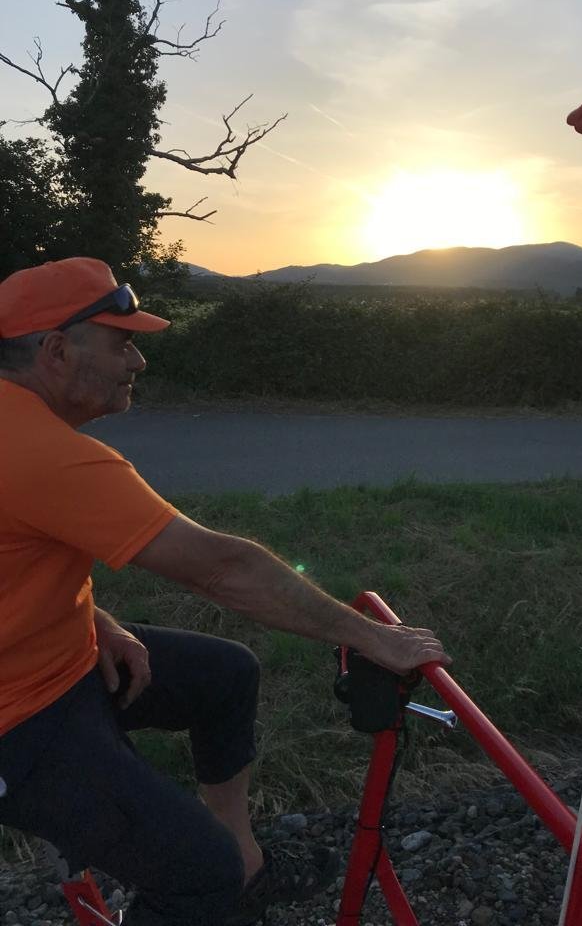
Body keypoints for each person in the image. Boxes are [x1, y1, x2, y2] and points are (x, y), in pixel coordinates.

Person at [0, 257, 450, 926]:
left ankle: (247, 865)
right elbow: (222, 568)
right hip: (20, 719)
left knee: (226, 675)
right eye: (122, 343)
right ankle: (219, 880)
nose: (138, 361)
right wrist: (373, 638)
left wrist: (99, 620)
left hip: (63, 662)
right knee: (196, 874)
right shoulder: (44, 453)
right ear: (58, 351)